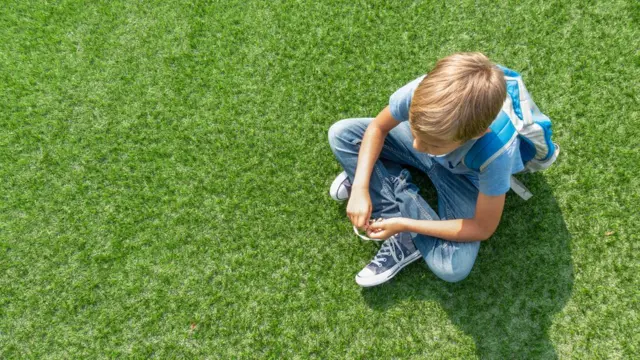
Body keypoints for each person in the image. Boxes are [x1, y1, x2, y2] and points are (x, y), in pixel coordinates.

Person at [328, 52, 524, 287]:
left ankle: (399, 220)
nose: (417, 146)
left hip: (462, 179)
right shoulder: (425, 94)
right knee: (341, 134)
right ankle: (372, 177)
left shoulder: (496, 155)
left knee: (453, 267)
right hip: (445, 147)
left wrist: (406, 224)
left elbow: (482, 228)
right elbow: (378, 128)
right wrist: (360, 187)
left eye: (433, 144)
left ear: (475, 135)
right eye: (416, 131)